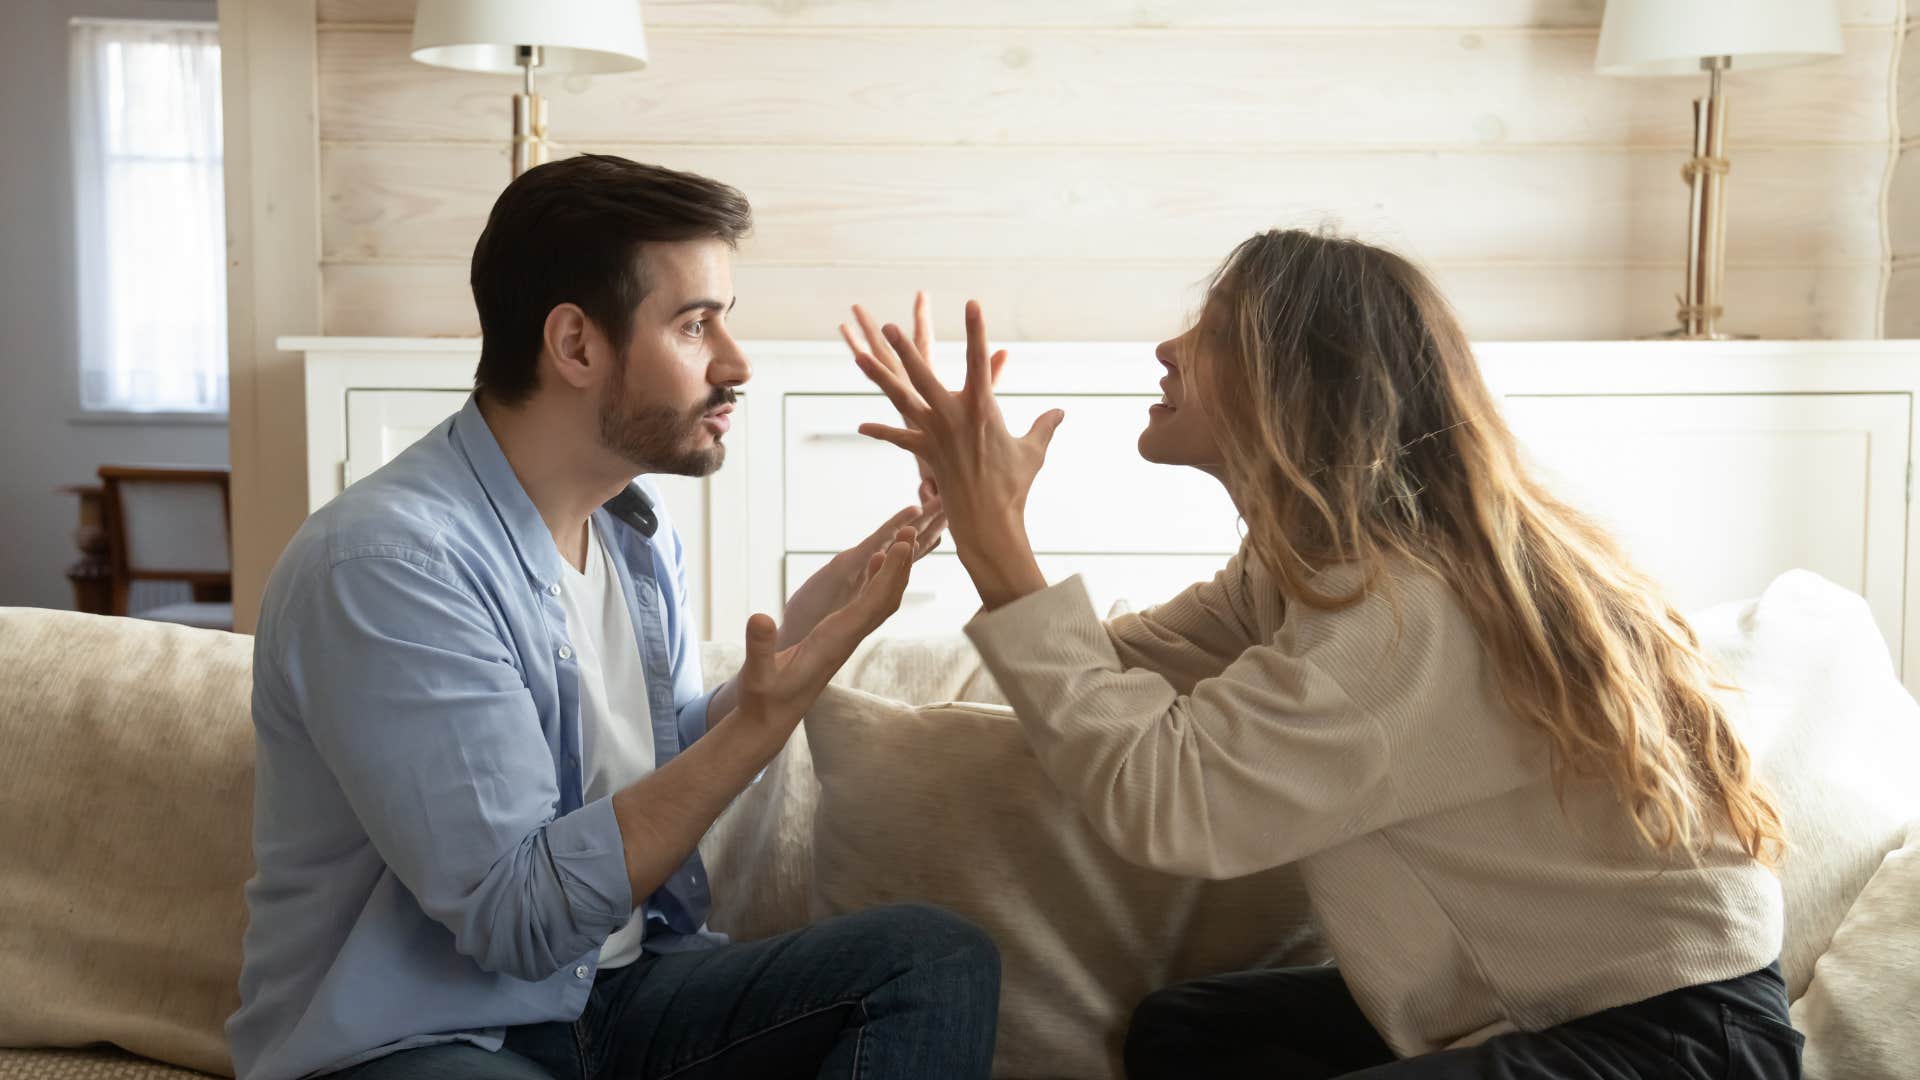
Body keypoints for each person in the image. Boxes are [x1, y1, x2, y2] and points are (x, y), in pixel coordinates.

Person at [841, 229, 1800, 1079]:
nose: (1167, 351)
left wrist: (1000, 542)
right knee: (1187, 1035)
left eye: (1210, 334)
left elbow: (1173, 802)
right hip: (1542, 1006)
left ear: (1299, 381)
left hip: (1675, 1041)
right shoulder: (1312, 569)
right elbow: (1104, 677)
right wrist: (980, 530)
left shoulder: (1406, 611)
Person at [228, 154, 1001, 1080]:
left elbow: (660, 767)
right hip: (433, 1037)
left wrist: (804, 642)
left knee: (934, 960)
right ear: (577, 346)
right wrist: (763, 721)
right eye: (694, 324)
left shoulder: (633, 529)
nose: (736, 363)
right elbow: (519, 919)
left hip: (616, 995)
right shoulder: (388, 565)